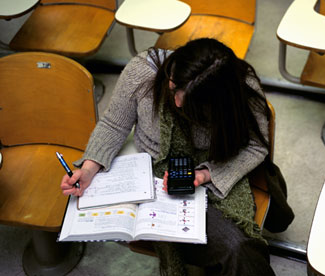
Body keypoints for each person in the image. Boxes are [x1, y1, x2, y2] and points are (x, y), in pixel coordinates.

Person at [60, 38, 275, 276]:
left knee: (239, 248)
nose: (177, 102)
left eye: (191, 103)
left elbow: (255, 146)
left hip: (217, 164)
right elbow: (113, 125)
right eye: (173, 88)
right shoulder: (142, 71)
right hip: (152, 172)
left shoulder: (241, 86)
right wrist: (89, 168)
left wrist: (206, 174)